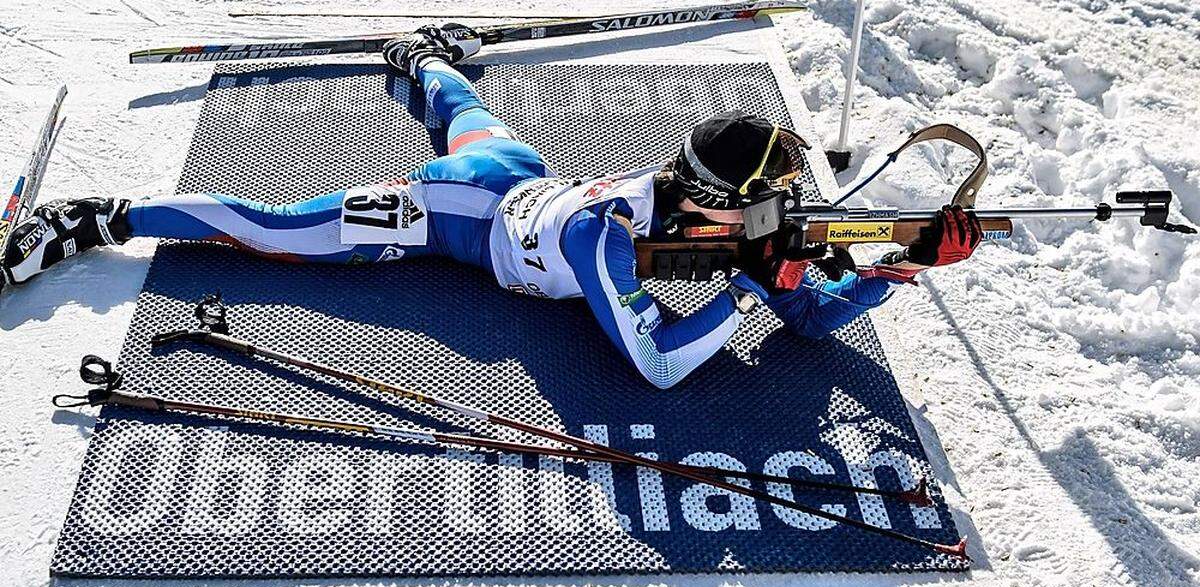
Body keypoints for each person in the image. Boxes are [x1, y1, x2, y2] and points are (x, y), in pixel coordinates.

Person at [0, 25, 983, 389]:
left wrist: (891, 272)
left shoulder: (706, 216)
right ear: (727, 200)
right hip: (449, 219)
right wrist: (745, 295)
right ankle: (101, 217)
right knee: (275, 229)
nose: (790, 212)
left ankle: (422, 61)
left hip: (524, 172)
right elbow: (653, 365)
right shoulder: (612, 239)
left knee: (471, 111)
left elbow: (809, 312)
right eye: (776, 199)